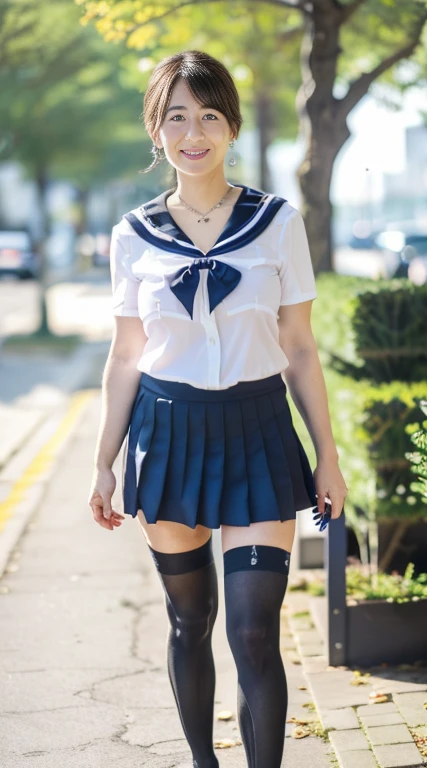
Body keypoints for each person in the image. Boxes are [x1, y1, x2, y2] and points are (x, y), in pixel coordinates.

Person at [88, 49, 348, 768]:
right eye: (176, 116)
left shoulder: (276, 222)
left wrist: (327, 455)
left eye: (207, 114)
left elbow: (298, 345)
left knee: (254, 632)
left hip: (259, 432)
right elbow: (124, 356)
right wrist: (104, 464)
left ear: (230, 125)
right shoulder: (132, 236)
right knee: (188, 620)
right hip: (167, 435)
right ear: (156, 130)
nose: (192, 131)